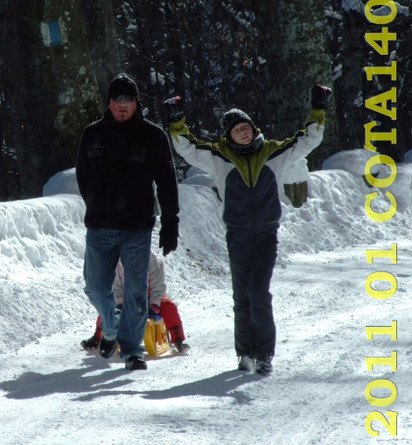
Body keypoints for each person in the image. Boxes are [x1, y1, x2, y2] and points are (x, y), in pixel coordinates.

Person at [163, 84, 330, 375]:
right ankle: (245, 354)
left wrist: (318, 109)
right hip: (238, 234)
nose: (243, 132)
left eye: (246, 127)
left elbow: (306, 141)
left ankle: (264, 353)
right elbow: (187, 147)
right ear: (228, 136)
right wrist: (177, 120)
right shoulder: (219, 157)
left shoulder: (272, 153)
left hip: (266, 233)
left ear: (254, 128)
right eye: (236, 130)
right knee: (241, 295)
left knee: (258, 292)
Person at [76, 73, 180, 371]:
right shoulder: (92, 134)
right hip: (100, 226)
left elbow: (167, 181)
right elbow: (84, 176)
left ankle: (132, 350)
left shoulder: (153, 136)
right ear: (108, 103)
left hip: (137, 227)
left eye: (128, 100)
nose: (122, 106)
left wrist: (171, 221)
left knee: (136, 290)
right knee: (95, 287)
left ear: (137, 103)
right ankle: (110, 327)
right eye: (116, 100)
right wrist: (97, 202)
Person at [81, 251, 189, 353]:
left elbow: (158, 286)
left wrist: (154, 304)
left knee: (169, 306)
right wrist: (119, 302)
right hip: (127, 299)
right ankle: (97, 337)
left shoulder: (154, 263)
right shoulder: (117, 265)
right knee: (109, 307)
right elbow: (116, 287)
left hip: (150, 298)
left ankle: (178, 340)